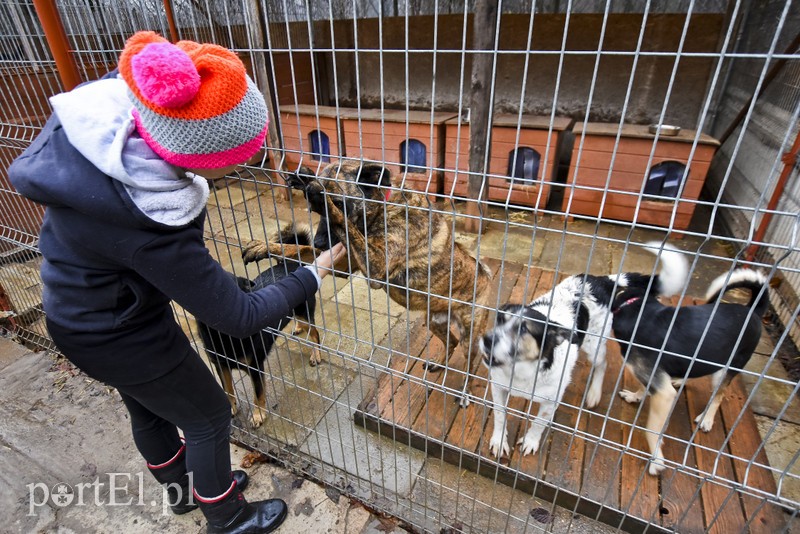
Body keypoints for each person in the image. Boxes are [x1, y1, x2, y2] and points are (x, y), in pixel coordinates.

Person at [8, 31, 345, 534]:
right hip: (119, 334)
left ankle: (186, 493)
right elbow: (239, 314)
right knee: (208, 416)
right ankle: (227, 518)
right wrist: (311, 274)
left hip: (81, 312)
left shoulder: (111, 137)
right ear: (204, 159)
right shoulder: (150, 221)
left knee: (150, 411)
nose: (253, 163)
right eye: (247, 156)